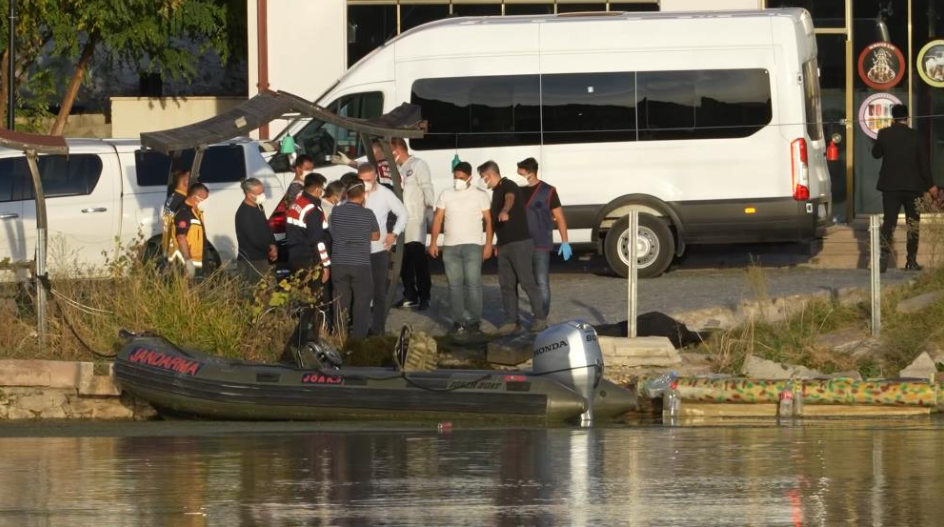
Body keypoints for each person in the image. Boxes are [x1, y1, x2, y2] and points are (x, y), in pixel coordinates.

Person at [479, 160, 547, 334]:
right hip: (504, 245)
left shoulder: (508, 185)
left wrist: (505, 210)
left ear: (491, 175)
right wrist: (495, 244)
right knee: (506, 285)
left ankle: (540, 319)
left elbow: (510, 198)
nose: (482, 181)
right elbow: (494, 223)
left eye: (483, 177)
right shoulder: (495, 193)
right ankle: (511, 321)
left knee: (527, 282)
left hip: (520, 243)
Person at [428, 161, 493, 335]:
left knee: (473, 284)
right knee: (454, 286)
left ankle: (473, 321)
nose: (458, 180)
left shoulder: (480, 195)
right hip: (450, 246)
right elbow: (437, 219)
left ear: (470, 177)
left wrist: (488, 244)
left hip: (473, 245)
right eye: (455, 177)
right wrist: (434, 242)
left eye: (461, 178)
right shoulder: (446, 194)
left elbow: (488, 221)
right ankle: (457, 321)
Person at [872, 104, 939, 272]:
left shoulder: (884, 134)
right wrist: (931, 185)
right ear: (907, 118)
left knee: (889, 222)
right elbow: (924, 164)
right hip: (913, 187)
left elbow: (876, 154)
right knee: (912, 224)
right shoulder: (916, 136)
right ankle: (911, 261)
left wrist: (880, 140)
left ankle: (883, 260)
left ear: (892, 118)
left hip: (890, 187)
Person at [516, 157, 571, 316]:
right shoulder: (517, 191)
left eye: (520, 172)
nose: (518, 175)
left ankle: (541, 317)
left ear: (530, 173)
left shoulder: (548, 191)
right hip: (521, 244)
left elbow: (559, 217)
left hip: (540, 244)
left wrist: (565, 241)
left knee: (541, 282)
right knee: (526, 283)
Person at [359, 163, 408, 335]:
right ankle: (360, 328)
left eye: (369, 180)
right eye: (362, 180)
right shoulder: (354, 194)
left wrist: (394, 233)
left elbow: (403, 213)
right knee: (361, 293)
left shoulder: (385, 194)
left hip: (378, 250)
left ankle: (378, 330)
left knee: (379, 293)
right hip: (358, 251)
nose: (366, 183)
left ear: (375, 178)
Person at [330, 181, 381, 340]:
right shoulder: (368, 214)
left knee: (340, 300)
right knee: (362, 301)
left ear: (347, 195)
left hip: (339, 262)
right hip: (360, 263)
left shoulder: (336, 212)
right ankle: (358, 337)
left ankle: (339, 334)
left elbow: (334, 230)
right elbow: (376, 236)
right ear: (363, 195)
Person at [391, 137, 435, 310]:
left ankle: (425, 296)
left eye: (392, 151)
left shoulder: (418, 165)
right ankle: (410, 295)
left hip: (416, 219)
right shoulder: (396, 167)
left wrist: (430, 210)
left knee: (418, 259)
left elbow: (427, 188)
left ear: (399, 150)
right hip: (401, 219)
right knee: (404, 260)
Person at [234, 178, 277, 282]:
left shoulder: (258, 206)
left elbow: (266, 227)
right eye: (259, 193)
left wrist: (273, 244)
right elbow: (254, 239)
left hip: (262, 258)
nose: (263, 195)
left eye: (263, 191)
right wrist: (269, 251)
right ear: (249, 195)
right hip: (252, 261)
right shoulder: (244, 214)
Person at [172, 183, 210, 279]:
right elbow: (181, 238)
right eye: (203, 199)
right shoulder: (184, 213)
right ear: (194, 197)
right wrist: (188, 262)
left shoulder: (194, 212)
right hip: (188, 263)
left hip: (197, 262)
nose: (204, 202)